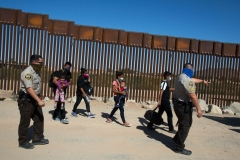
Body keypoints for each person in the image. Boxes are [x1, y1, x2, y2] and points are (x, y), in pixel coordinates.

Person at [172, 63, 208, 155]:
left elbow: (192, 80)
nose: (193, 72)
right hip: (182, 105)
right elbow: (192, 95)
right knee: (185, 125)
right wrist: (199, 109)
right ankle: (179, 147)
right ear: (190, 70)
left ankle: (177, 139)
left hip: (178, 104)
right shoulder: (186, 80)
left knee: (183, 122)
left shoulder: (181, 76)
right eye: (192, 70)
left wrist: (202, 81)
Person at [18, 54, 49, 149]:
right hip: (26, 101)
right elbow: (29, 88)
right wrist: (39, 100)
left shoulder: (37, 72)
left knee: (39, 118)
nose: (42, 65)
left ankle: (37, 138)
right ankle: (22, 142)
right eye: (40, 63)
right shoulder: (27, 73)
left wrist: (39, 97)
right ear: (34, 62)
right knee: (25, 121)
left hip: (35, 99)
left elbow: (36, 87)